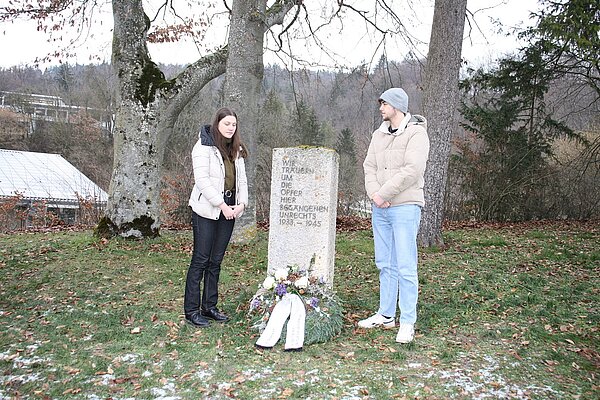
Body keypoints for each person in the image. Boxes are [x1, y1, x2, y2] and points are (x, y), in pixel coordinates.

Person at [359, 88, 430, 343]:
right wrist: (375, 194)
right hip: (380, 208)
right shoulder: (378, 135)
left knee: (406, 266)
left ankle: (407, 321)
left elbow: (412, 170)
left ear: (397, 106)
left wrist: (385, 193)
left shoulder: (416, 134)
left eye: (384, 104)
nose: (381, 108)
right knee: (384, 263)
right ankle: (386, 314)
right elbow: (369, 165)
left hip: (404, 207)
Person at [183, 107, 248, 328]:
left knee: (216, 261)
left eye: (234, 124)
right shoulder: (204, 145)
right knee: (201, 259)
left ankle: (209, 307)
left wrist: (241, 204)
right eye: (226, 124)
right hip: (206, 209)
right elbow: (202, 180)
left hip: (229, 209)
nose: (231, 128)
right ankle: (192, 310)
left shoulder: (236, 149)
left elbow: (243, 181)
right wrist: (221, 205)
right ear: (217, 124)